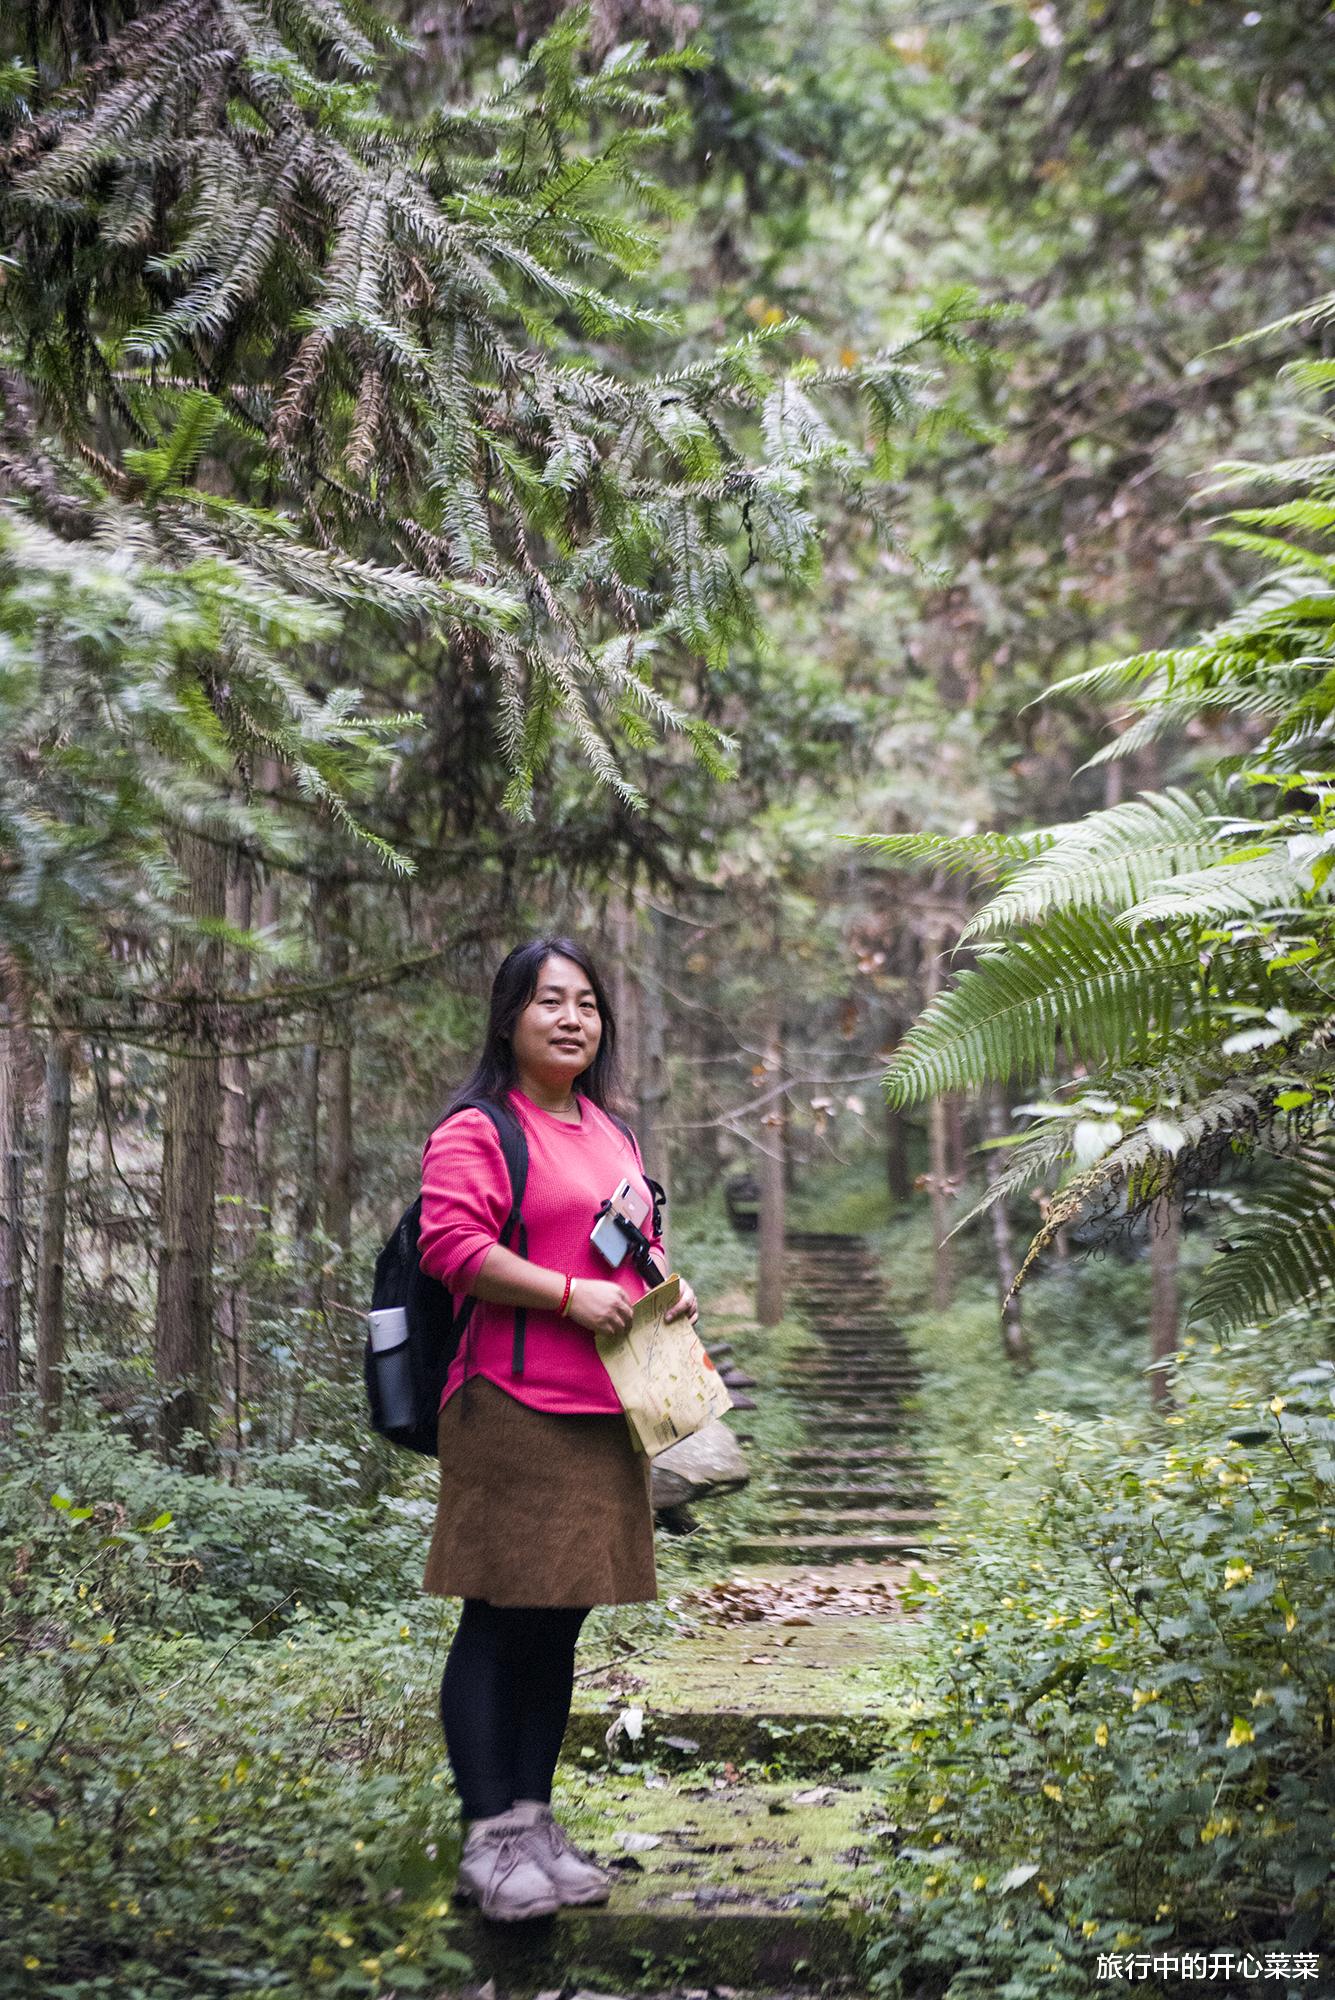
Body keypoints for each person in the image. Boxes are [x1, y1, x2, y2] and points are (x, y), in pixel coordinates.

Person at [417, 935, 698, 1922]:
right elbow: (452, 1245)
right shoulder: (479, 1128)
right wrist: (568, 1295)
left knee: (562, 1615)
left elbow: (633, 1234)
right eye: (550, 1000)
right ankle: (488, 1839)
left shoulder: (610, 1132)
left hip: (604, 1408)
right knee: (500, 1614)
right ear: (509, 1017)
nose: (573, 1017)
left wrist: (665, 1278)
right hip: (510, 1399)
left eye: (586, 1002)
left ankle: (533, 1821)